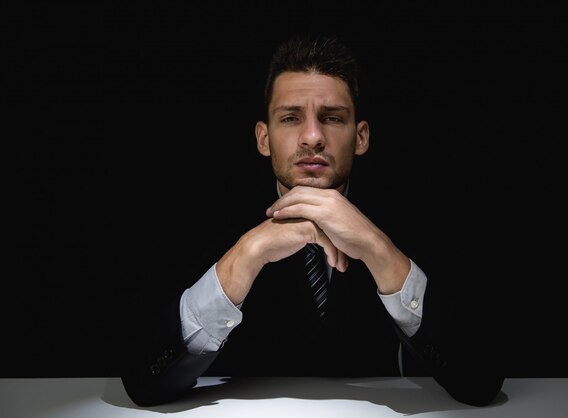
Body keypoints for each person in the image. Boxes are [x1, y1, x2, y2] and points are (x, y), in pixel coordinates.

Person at [121, 34, 505, 408]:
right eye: (290, 118)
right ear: (263, 138)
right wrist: (245, 256)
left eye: (332, 118)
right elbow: (141, 382)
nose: (312, 137)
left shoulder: (419, 217)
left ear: (361, 137)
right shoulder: (196, 218)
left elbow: (481, 383)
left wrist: (379, 251)